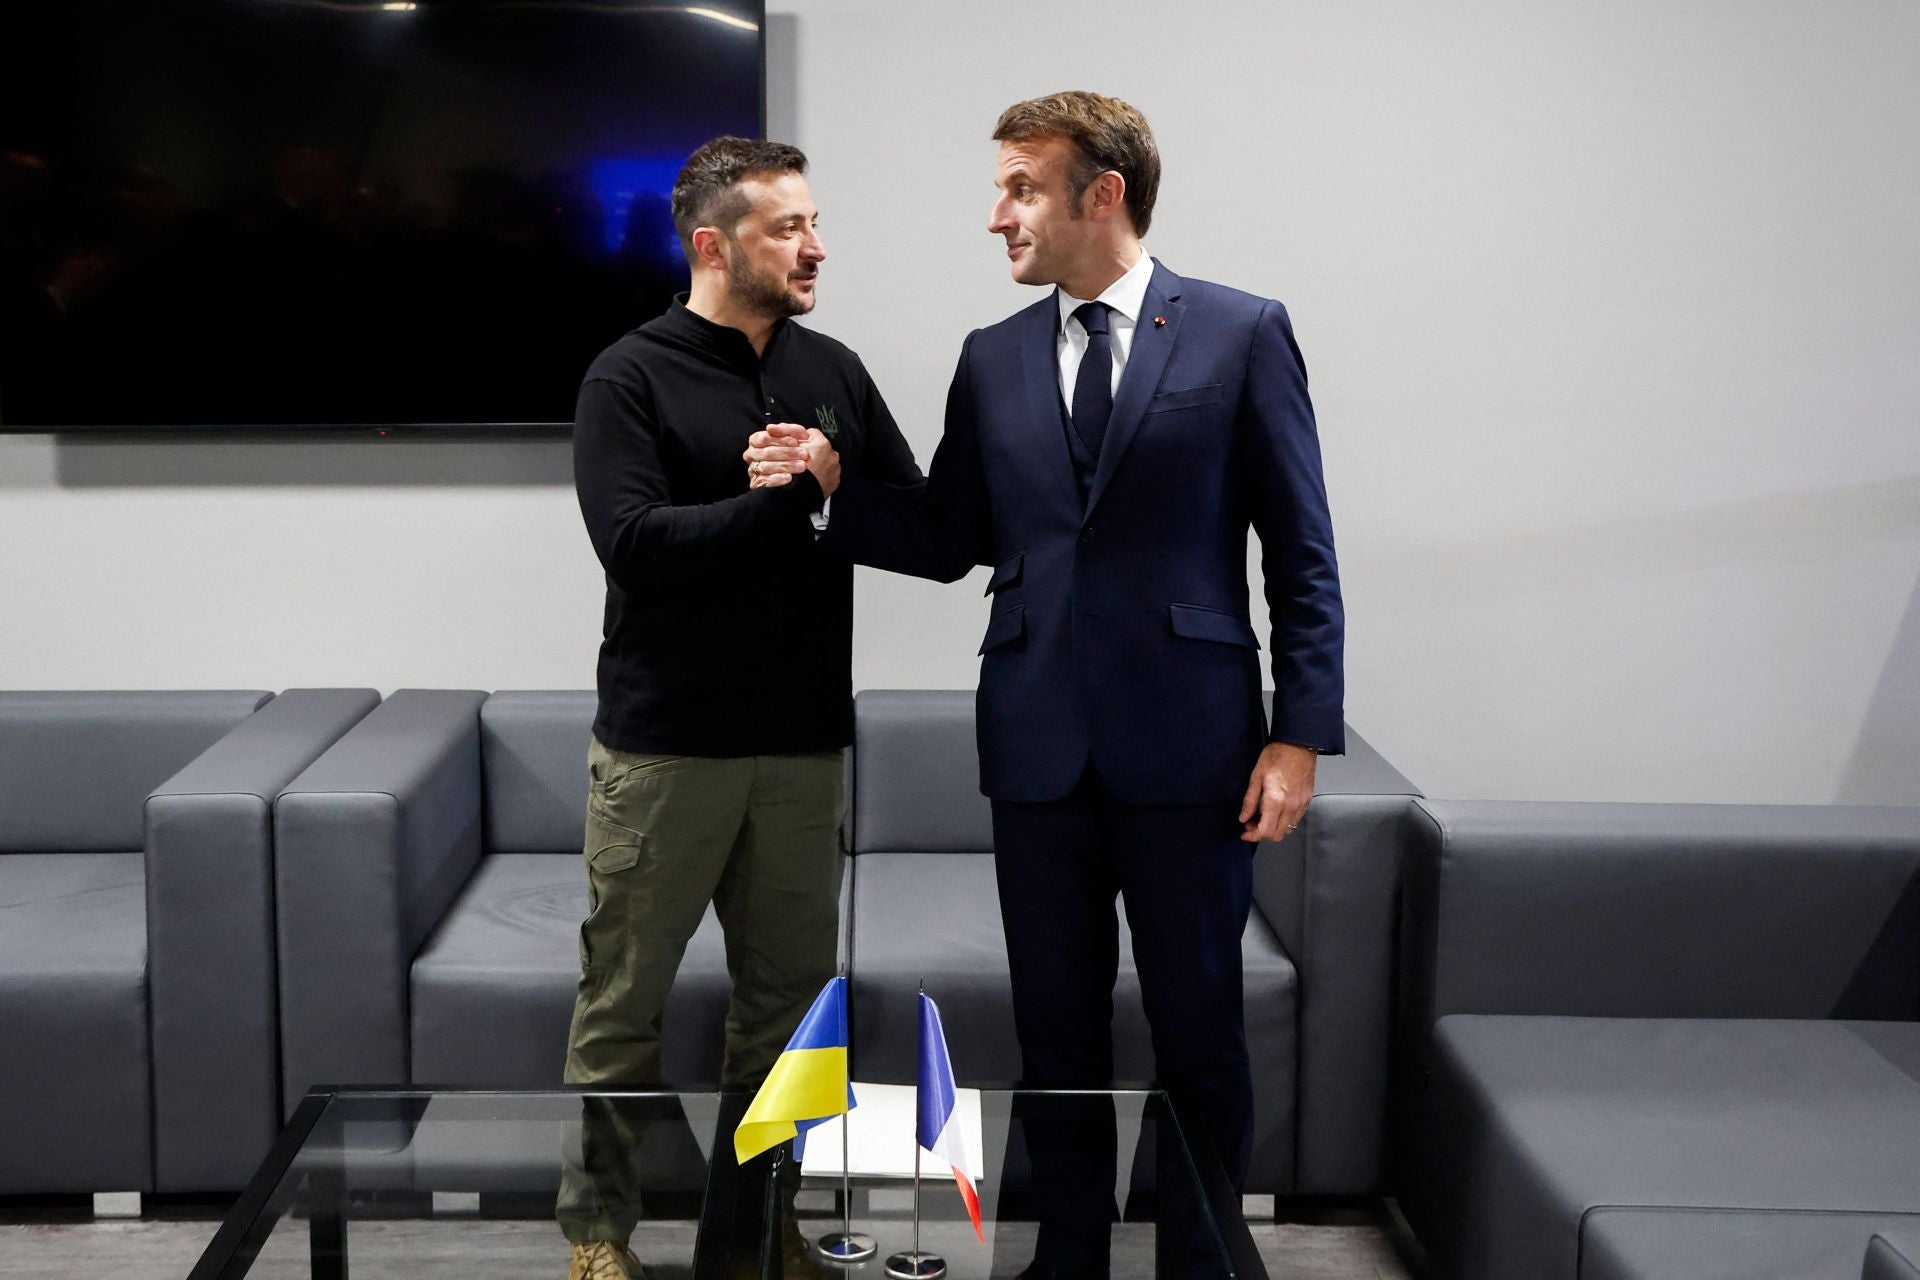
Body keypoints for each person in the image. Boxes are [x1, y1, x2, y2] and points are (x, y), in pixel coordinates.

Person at [748, 91, 1344, 1271]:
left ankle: (1203, 1256)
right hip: (1035, 743)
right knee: (1055, 1030)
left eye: (1020, 187)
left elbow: (1303, 548)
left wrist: (1302, 732)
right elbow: (951, 531)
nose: (996, 216)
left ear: (1101, 193)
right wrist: (831, 483)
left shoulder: (1238, 331)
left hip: (1196, 743)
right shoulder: (995, 356)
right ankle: (1067, 1253)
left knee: (1200, 1034)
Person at [561, 135, 924, 1280]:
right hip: (667, 749)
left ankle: (767, 1231)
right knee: (623, 1009)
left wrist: (830, 482)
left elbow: (916, 526)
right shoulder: (629, 374)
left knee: (789, 1020)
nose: (814, 245)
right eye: (788, 227)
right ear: (715, 244)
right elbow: (634, 544)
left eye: (816, 223)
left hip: (803, 746)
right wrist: (782, 504)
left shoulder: (835, 371)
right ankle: (597, 1237)